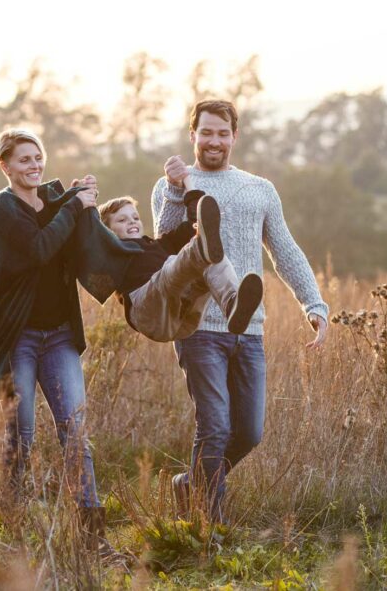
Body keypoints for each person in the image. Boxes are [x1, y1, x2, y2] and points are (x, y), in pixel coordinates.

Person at [152, 100, 329, 521]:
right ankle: (208, 526)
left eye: (222, 133)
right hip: (197, 326)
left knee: (248, 432)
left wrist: (313, 303)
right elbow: (164, 246)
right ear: (192, 135)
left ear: (234, 136)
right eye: (206, 132)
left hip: (249, 328)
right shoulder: (170, 184)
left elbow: (284, 249)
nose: (214, 141)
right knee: (214, 428)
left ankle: (189, 484)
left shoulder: (259, 189)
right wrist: (177, 191)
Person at [0, 127, 117, 557]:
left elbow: (74, 235)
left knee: (75, 432)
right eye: (23, 160)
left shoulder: (53, 202)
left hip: (58, 336)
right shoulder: (3, 209)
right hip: (18, 337)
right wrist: (74, 205)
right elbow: (40, 247)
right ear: (4, 165)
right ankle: (13, 529)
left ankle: (94, 539)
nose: (34, 166)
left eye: (38, 157)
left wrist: (81, 199)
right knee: (20, 435)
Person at [97, 187, 263, 341]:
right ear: (108, 232)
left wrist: (194, 202)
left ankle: (232, 304)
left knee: (209, 256)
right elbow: (91, 244)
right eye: (122, 220)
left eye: (135, 217)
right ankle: (197, 248)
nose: (132, 222)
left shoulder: (159, 244)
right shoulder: (113, 254)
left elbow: (189, 228)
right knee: (177, 261)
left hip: (183, 319)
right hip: (148, 314)